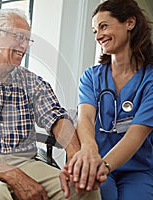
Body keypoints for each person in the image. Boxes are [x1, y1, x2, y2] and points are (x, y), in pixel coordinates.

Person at [0, 8, 100, 200]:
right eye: (19, 37)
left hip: (24, 162)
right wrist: (13, 175)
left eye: (28, 39)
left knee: (83, 189)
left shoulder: (33, 82)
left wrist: (77, 159)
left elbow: (56, 117)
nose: (24, 45)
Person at [63, 0, 153, 199]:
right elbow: (85, 118)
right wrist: (90, 152)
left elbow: (136, 134)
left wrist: (104, 165)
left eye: (104, 26)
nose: (98, 36)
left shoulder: (150, 80)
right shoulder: (91, 77)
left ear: (130, 23)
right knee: (99, 195)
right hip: (96, 161)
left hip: (137, 170)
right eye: (95, 31)